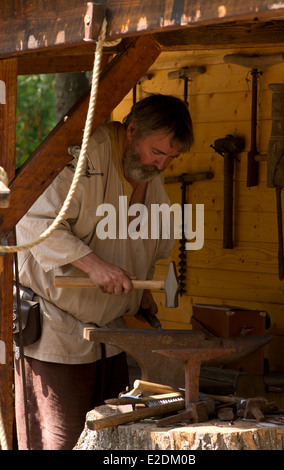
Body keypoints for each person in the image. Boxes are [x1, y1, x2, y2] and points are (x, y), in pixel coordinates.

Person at [14, 93, 194, 450]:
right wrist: (93, 265)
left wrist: (141, 290)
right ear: (132, 131)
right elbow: (30, 220)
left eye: (171, 157)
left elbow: (146, 238)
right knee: (62, 442)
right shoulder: (85, 156)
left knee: (108, 443)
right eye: (158, 152)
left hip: (110, 333)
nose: (162, 165)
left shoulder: (147, 171)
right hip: (57, 331)